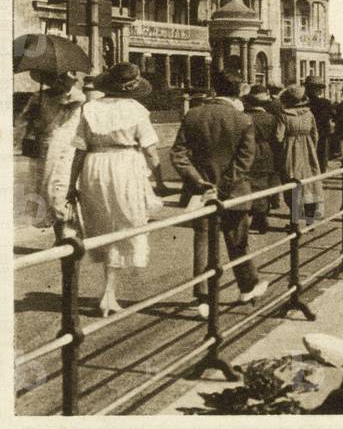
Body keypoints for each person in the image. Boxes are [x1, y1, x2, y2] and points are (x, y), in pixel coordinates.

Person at [67, 63, 170, 317]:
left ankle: (107, 291)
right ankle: (108, 294)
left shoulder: (89, 109)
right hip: (125, 166)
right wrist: (159, 181)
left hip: (95, 167)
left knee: (102, 225)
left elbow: (80, 149)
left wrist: (72, 183)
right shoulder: (136, 110)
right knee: (125, 224)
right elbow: (149, 149)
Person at [172, 71, 267, 317]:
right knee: (237, 243)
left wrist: (200, 182)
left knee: (202, 242)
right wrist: (223, 187)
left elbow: (178, 155)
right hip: (234, 193)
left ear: (213, 89)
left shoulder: (193, 115)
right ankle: (247, 287)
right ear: (236, 93)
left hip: (200, 193)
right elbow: (245, 160)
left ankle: (202, 297)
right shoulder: (242, 119)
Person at [22, 71, 87, 241]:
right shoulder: (39, 96)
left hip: (66, 148)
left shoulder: (76, 98)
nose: (68, 81)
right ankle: (61, 235)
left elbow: (75, 112)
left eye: (70, 78)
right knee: (45, 191)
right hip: (44, 148)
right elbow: (26, 120)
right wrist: (33, 113)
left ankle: (70, 232)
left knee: (59, 189)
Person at [276, 85, 325, 221]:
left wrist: (284, 147)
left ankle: (295, 220)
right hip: (307, 149)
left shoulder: (284, 115)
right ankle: (310, 218)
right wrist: (311, 148)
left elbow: (279, 136)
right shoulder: (309, 114)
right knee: (310, 181)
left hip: (290, 150)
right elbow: (315, 134)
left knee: (292, 180)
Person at [243, 85, 283, 234]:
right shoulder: (271, 118)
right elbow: (276, 138)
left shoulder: (244, 117)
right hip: (267, 152)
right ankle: (261, 217)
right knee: (264, 185)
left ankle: (256, 216)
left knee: (250, 184)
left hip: (249, 152)